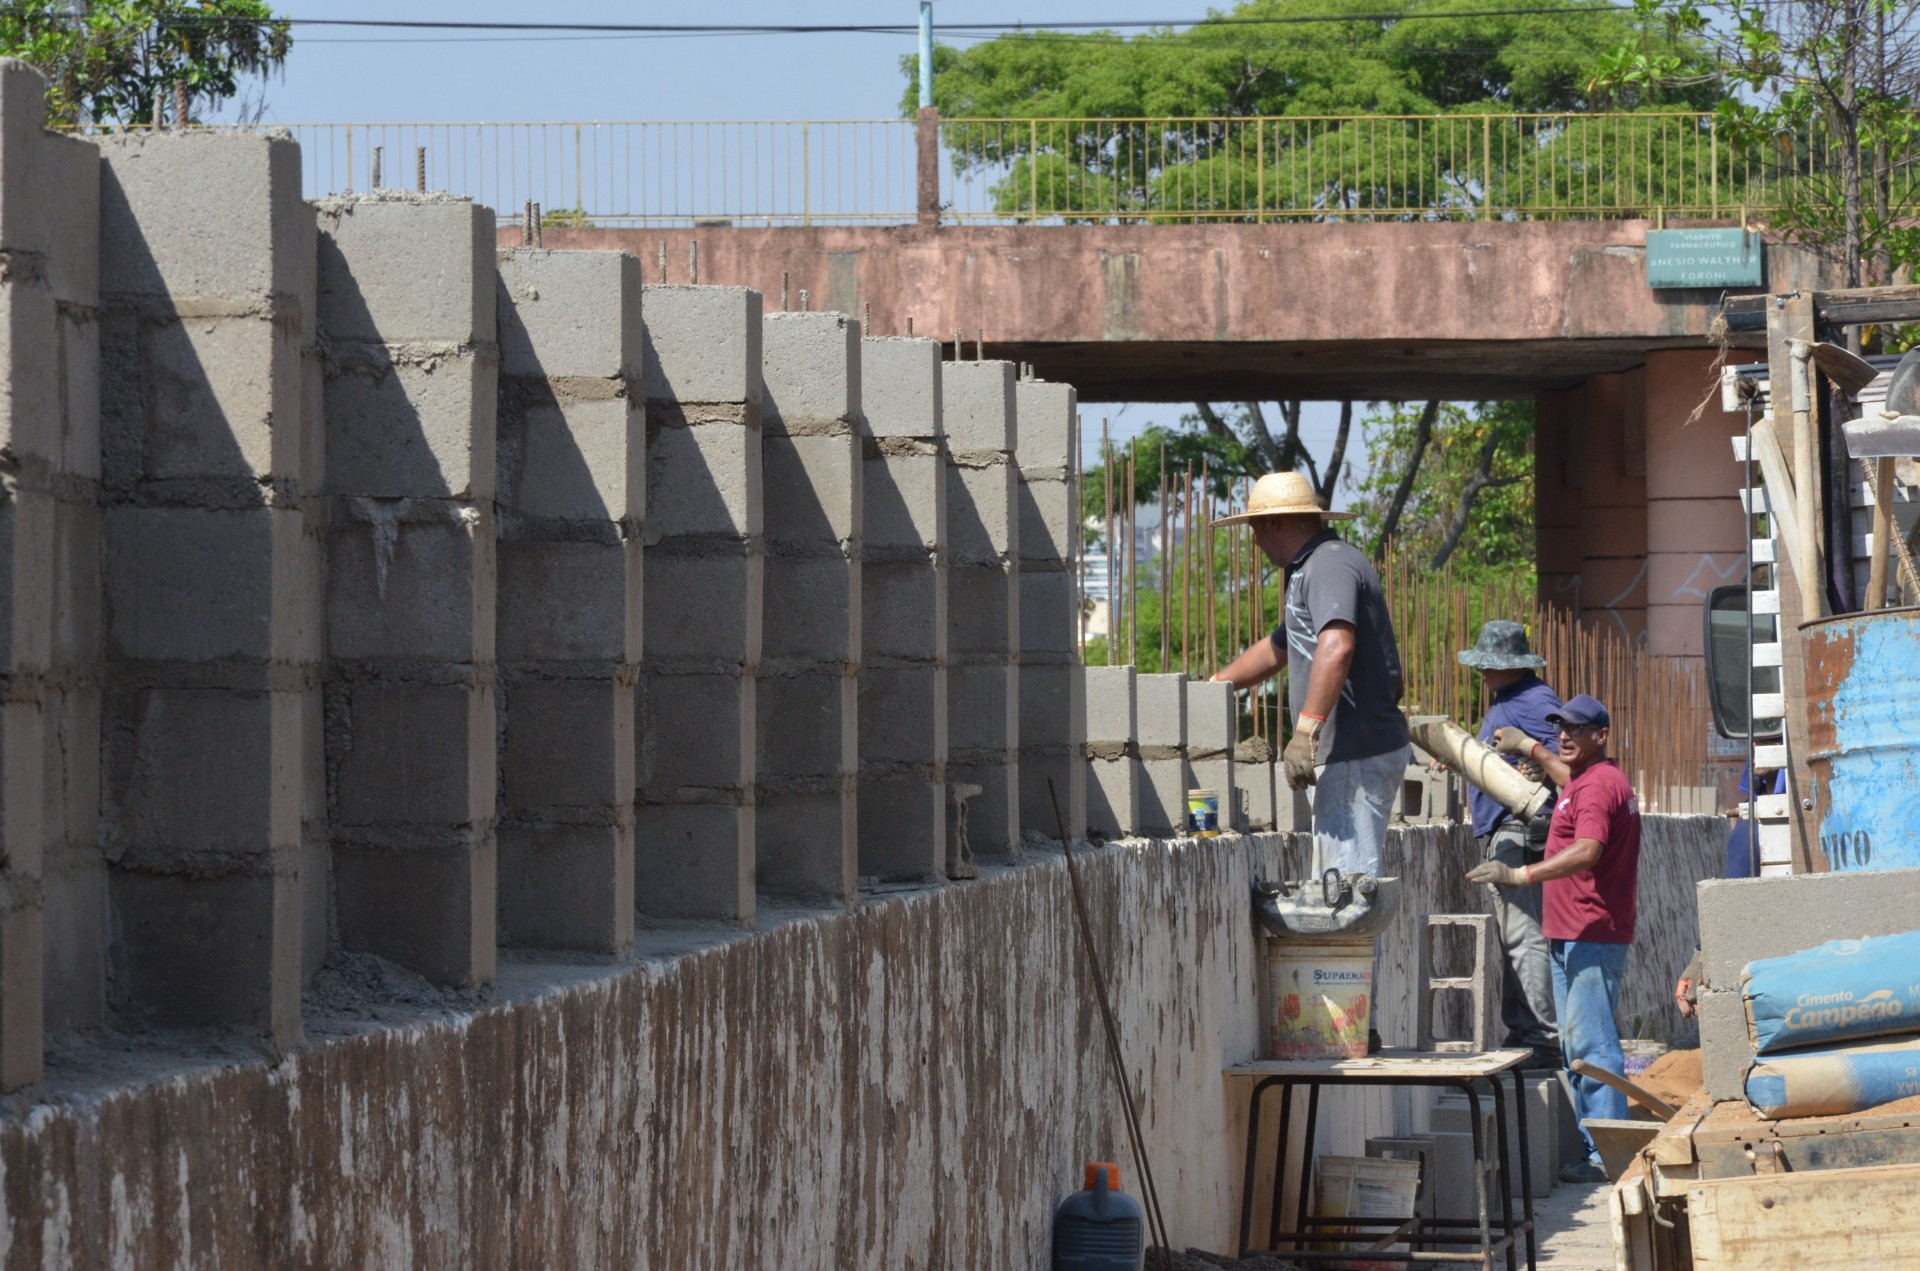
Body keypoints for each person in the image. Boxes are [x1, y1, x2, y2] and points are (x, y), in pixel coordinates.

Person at [1473, 694, 1640, 1185]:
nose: (1564, 736)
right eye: (1559, 728)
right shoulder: (1588, 780)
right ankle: (1598, 1147)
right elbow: (1568, 781)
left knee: (1593, 1044)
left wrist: (1520, 873)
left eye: (1576, 729)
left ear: (1601, 736)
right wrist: (1529, 747)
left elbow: (1587, 849)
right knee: (1576, 1043)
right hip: (1572, 932)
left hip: (1591, 932)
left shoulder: (1598, 788)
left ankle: (1608, 1155)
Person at [1212, 472, 1411, 879]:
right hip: (1351, 751)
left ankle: (1347, 947)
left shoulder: (1329, 563)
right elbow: (1281, 646)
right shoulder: (1306, 569)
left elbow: (1336, 646)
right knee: (1338, 884)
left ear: (1275, 523)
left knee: (1346, 890)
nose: (1254, 540)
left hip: (1357, 749)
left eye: (1255, 528)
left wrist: (1305, 733)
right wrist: (1215, 686)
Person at [1455, 620, 1562, 1063]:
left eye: (1488, 666)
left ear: (1509, 666)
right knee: (1513, 937)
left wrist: (1536, 762)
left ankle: (1541, 1037)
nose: (1482, 674)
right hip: (1504, 829)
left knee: (1525, 936)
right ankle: (1524, 1031)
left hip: (1519, 830)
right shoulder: (1509, 699)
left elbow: (1563, 757)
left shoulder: (1535, 701)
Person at [1674, 764, 1785, 1018]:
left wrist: (1704, 956)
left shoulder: (1758, 823)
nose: (1755, 742)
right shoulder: (1755, 809)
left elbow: (1733, 888)